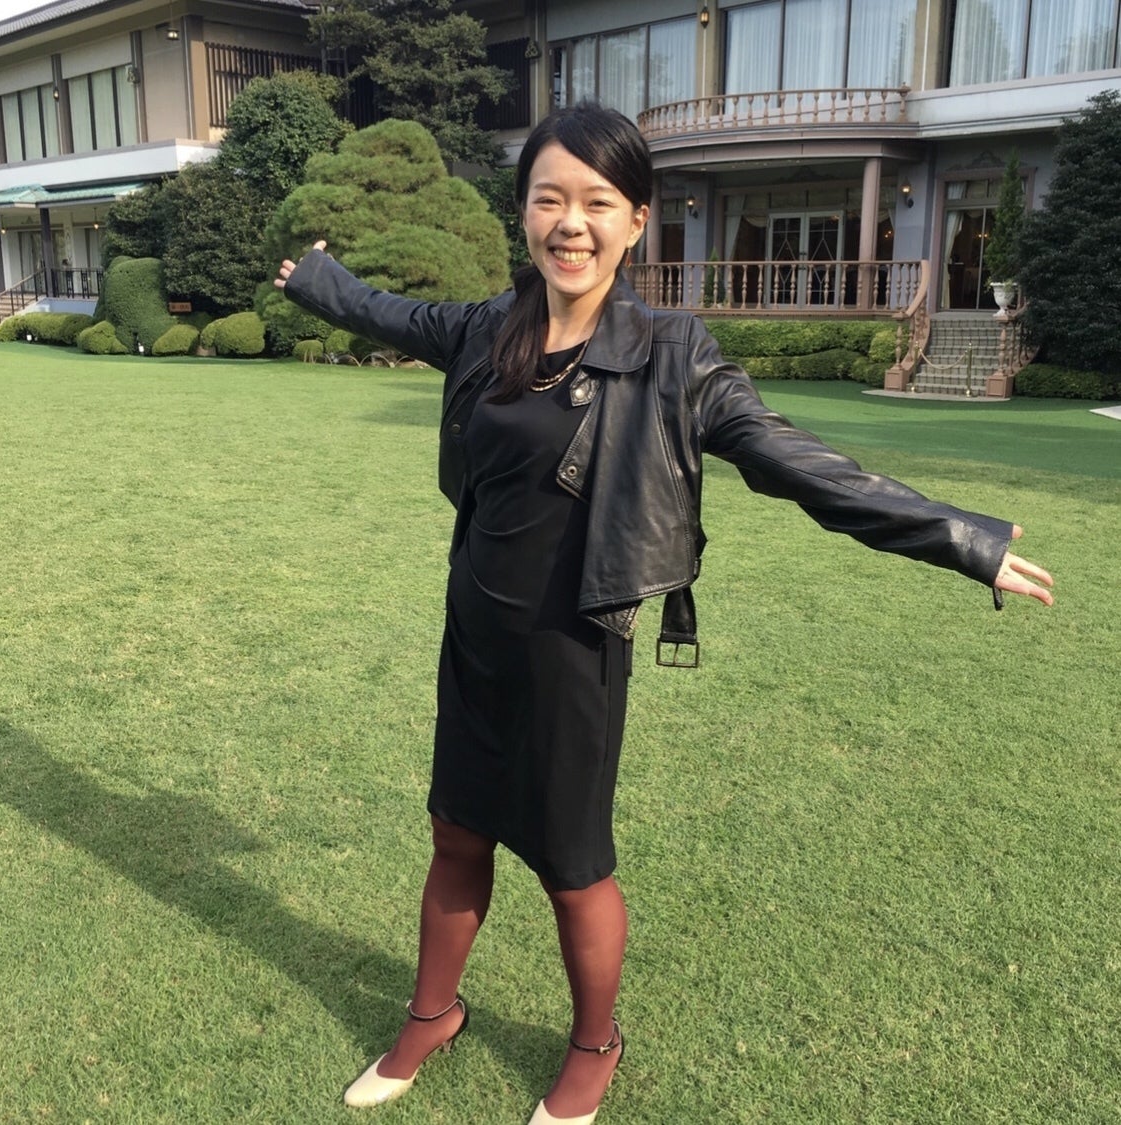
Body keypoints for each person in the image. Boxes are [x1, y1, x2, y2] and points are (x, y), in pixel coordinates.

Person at [275, 102, 1053, 1124]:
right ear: (523, 213)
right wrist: (316, 277)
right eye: (548, 199)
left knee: (571, 869)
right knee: (456, 834)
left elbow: (794, 462)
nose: (571, 223)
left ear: (636, 220)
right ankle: (432, 1013)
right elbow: (387, 311)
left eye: (597, 202)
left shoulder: (671, 353)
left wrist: (960, 539)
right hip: (474, 633)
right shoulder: (487, 329)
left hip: (575, 647)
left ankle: (595, 1042)